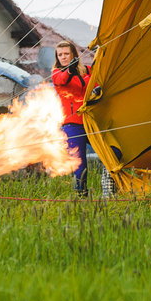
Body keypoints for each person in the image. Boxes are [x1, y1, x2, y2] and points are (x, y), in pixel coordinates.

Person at [51, 39, 92, 197]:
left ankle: (110, 189)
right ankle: (81, 196)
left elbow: (99, 77)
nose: (63, 57)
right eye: (60, 54)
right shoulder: (57, 73)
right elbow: (62, 79)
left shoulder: (86, 71)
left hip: (91, 120)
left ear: (73, 54)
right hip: (72, 124)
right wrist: (69, 68)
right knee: (79, 163)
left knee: (112, 152)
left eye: (66, 54)